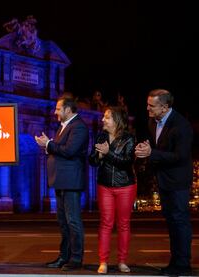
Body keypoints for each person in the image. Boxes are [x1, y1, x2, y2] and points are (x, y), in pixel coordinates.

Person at [135, 89, 193, 276]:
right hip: (163, 180)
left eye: (152, 106)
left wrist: (152, 153)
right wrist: (147, 149)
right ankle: (175, 262)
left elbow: (180, 156)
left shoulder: (181, 125)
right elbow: (159, 148)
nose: (147, 109)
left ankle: (183, 265)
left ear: (165, 106)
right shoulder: (153, 121)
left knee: (180, 222)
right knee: (171, 222)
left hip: (178, 181)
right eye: (147, 104)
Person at [35, 97, 89, 271]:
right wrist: (48, 144)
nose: (55, 112)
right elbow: (60, 149)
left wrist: (49, 144)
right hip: (61, 180)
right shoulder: (63, 126)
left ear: (68, 109)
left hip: (71, 181)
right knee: (63, 222)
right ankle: (64, 256)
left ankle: (75, 259)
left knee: (73, 221)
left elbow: (70, 151)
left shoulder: (78, 126)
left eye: (58, 109)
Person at [88, 106, 136, 274]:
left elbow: (127, 162)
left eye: (107, 117)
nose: (103, 120)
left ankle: (122, 261)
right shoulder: (100, 136)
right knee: (106, 223)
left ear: (116, 120)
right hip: (105, 185)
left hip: (126, 185)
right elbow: (92, 161)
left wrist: (107, 154)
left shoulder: (129, 138)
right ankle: (103, 262)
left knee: (123, 224)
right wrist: (98, 156)